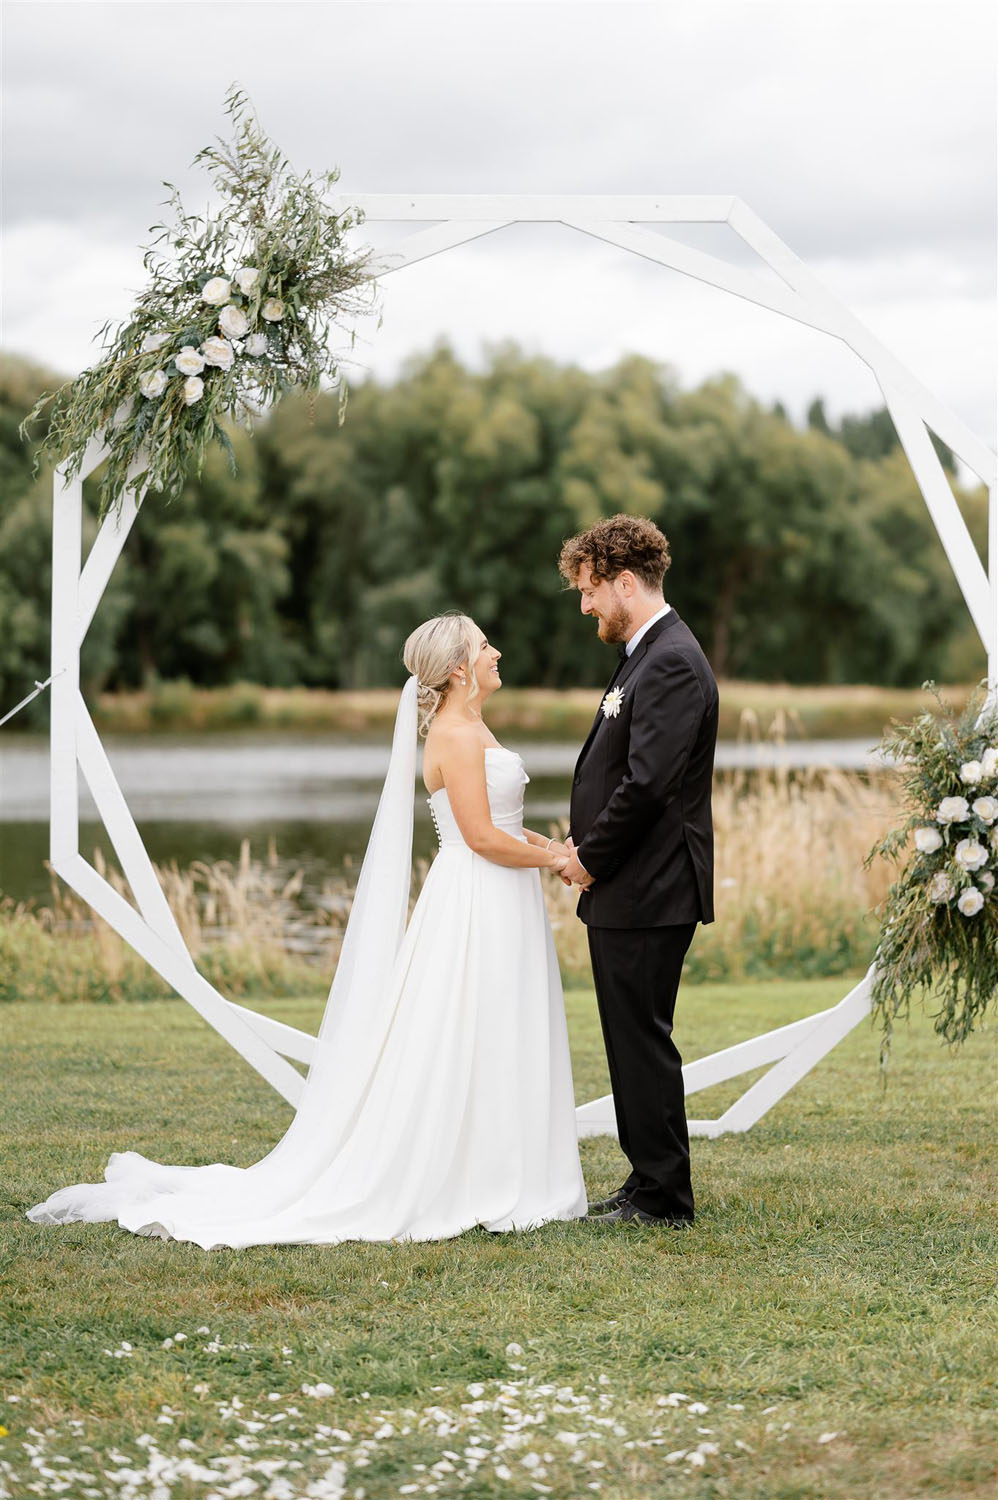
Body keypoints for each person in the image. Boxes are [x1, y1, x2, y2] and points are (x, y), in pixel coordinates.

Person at [26, 614, 588, 1247]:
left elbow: (499, 824)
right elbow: (481, 839)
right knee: (463, 1023)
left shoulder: (474, 724)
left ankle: (501, 1164)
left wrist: (552, 848)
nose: (498, 651)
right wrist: (556, 861)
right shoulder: (455, 736)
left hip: (502, 894)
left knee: (500, 1023)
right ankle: (467, 1172)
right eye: (486, 646)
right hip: (475, 900)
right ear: (459, 669)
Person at [555, 514, 718, 1228]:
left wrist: (591, 856)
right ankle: (646, 1179)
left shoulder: (672, 659)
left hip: (650, 884)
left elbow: (649, 783)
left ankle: (663, 1198)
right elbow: (624, 767)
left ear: (625, 582)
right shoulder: (646, 653)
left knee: (641, 1036)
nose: (585, 605)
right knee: (629, 1036)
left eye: (589, 590)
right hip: (635, 882)